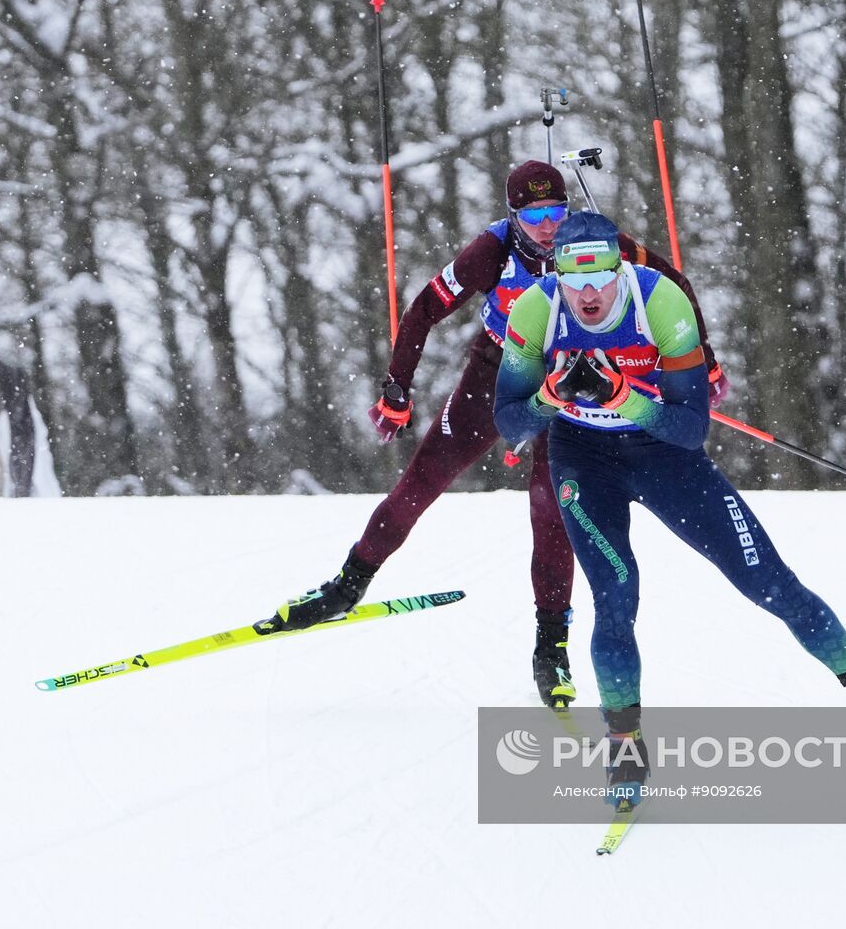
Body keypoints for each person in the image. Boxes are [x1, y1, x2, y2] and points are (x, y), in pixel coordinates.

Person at [493, 210, 846, 803]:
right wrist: (550, 396)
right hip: (584, 460)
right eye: (571, 275)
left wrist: (622, 397)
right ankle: (624, 745)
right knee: (615, 595)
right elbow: (510, 421)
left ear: (619, 268)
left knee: (770, 583)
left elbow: (690, 429)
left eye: (599, 275)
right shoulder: (535, 309)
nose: (586, 292)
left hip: (664, 454)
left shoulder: (660, 302)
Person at [256, 163, 728, 709]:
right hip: (497, 371)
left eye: (556, 213)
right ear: (514, 216)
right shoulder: (492, 250)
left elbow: (674, 283)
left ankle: (550, 647)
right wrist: (396, 389)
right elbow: (422, 310)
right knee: (426, 477)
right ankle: (349, 582)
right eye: (534, 217)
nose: (548, 227)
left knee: (552, 510)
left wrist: (705, 363)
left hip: (570, 381)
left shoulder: (598, 244)